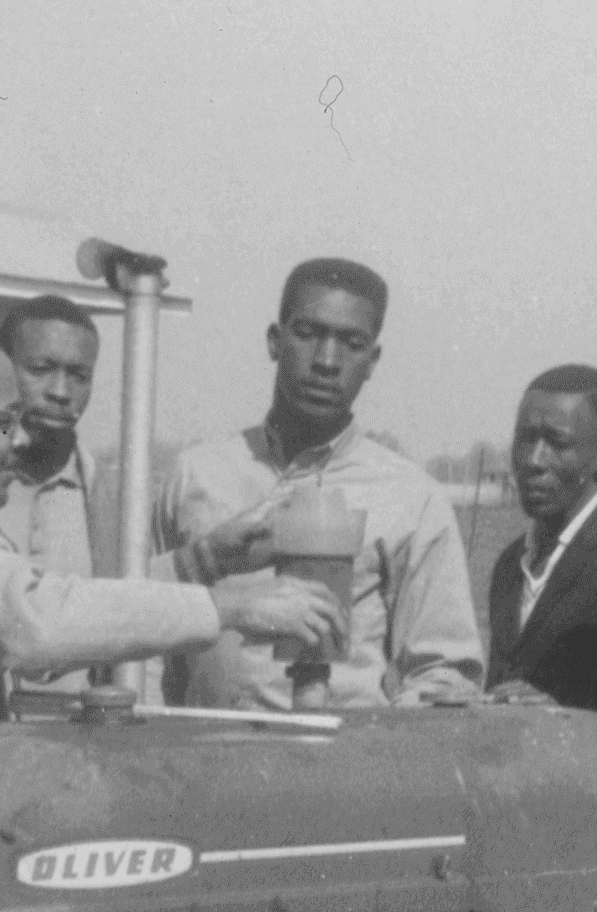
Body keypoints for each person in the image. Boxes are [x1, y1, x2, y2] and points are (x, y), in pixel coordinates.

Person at [0, 316, 343, 730]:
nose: (19, 439)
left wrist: (202, 561)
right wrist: (227, 606)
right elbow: (34, 622)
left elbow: (50, 609)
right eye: (1, 423)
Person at [152, 257, 485, 710]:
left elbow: (441, 675)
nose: (328, 361)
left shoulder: (413, 498)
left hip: (340, 770)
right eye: (309, 334)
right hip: (202, 761)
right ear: (275, 341)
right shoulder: (196, 474)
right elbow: (144, 637)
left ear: (373, 361)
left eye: (352, 343)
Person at [484, 364, 597, 707]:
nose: (534, 460)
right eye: (525, 439)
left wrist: (561, 713)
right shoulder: (510, 564)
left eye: (557, 443)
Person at [0, 294, 101, 578]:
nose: (61, 392)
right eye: (40, 370)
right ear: (2, 368)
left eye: (79, 376)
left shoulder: (112, 500)